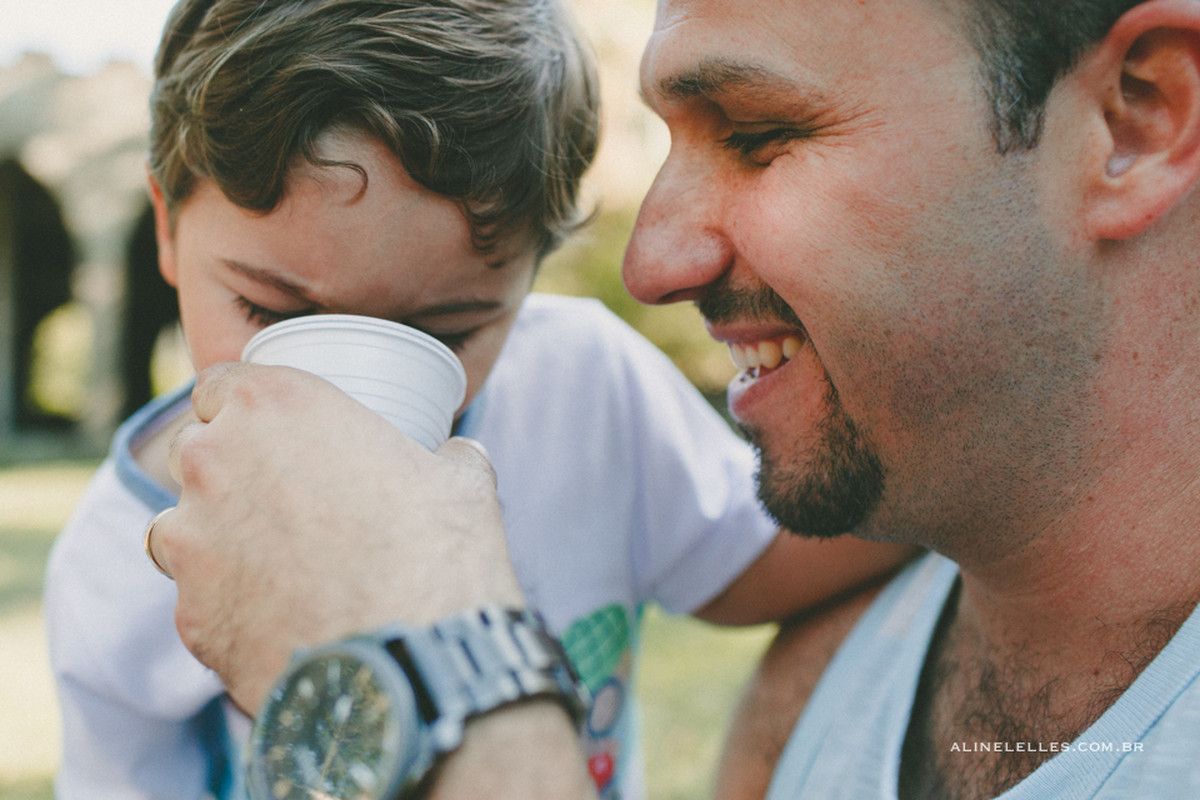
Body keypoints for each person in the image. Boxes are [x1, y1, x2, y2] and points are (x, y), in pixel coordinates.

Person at [144, 0, 1200, 797]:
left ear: (1138, 119)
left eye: (755, 132)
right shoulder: (834, 672)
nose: (648, 263)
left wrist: (440, 672)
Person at [42, 1, 915, 799]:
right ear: (166, 226)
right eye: (272, 312)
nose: (351, 404)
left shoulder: (585, 393)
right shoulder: (120, 561)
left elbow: (773, 559)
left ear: (529, 272)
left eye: (446, 332)